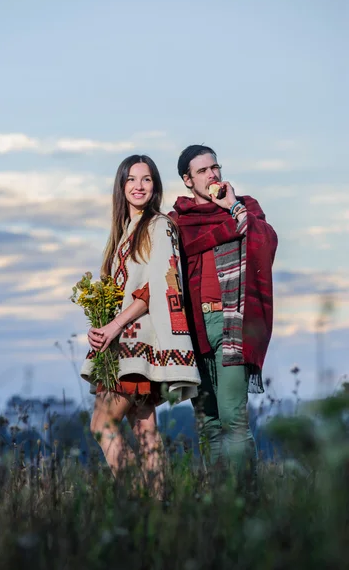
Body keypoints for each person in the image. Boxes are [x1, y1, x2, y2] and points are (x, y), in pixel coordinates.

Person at [82, 154, 200, 498]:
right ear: (121, 186)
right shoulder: (124, 233)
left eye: (146, 179)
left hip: (140, 343)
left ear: (155, 186)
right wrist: (101, 324)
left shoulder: (159, 226)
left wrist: (115, 325)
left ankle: (137, 502)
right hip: (126, 344)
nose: (139, 186)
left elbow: (159, 286)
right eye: (132, 179)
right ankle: (162, 509)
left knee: (102, 424)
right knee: (145, 430)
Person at [169, 144, 278, 489]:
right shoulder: (176, 222)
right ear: (187, 180)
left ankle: (246, 498)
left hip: (232, 322)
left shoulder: (243, 209)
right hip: (193, 328)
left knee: (233, 418)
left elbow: (265, 242)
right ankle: (220, 501)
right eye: (202, 171)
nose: (212, 175)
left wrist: (232, 206)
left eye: (214, 167)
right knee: (208, 422)